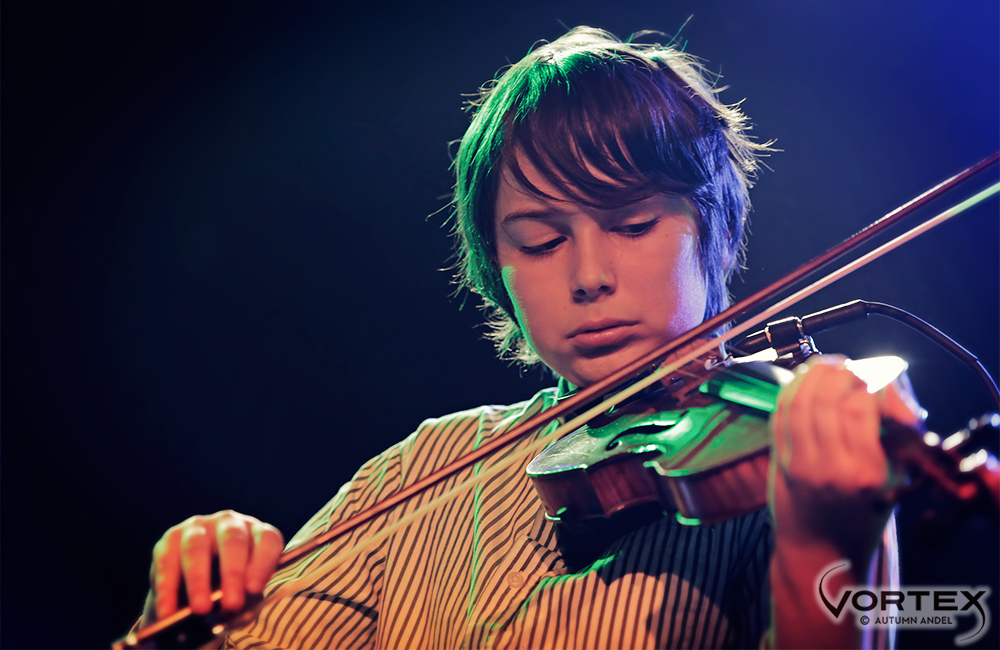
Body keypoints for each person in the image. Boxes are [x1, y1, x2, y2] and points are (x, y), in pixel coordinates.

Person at [134, 27, 920, 648]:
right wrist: (195, 608)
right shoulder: (425, 471)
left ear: (711, 233)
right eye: (540, 243)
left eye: (633, 224)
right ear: (496, 273)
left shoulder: (795, 457)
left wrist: (824, 543)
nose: (587, 275)